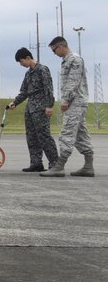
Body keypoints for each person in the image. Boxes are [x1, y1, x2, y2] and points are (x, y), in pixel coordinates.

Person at [43, 36, 94, 177]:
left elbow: (73, 82)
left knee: (66, 133)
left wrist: (65, 101)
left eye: (54, 50)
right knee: (80, 134)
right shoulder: (66, 61)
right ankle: (88, 166)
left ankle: (59, 166)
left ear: (60, 46)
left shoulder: (75, 60)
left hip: (75, 102)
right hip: (75, 102)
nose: (54, 53)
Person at [7, 47, 58, 173]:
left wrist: (49, 106)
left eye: (21, 61)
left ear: (28, 58)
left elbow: (49, 89)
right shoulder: (28, 73)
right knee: (32, 137)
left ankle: (55, 164)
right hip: (30, 109)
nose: (21, 64)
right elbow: (24, 92)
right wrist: (15, 102)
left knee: (44, 136)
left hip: (41, 109)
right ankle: (36, 163)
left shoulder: (43, 70)